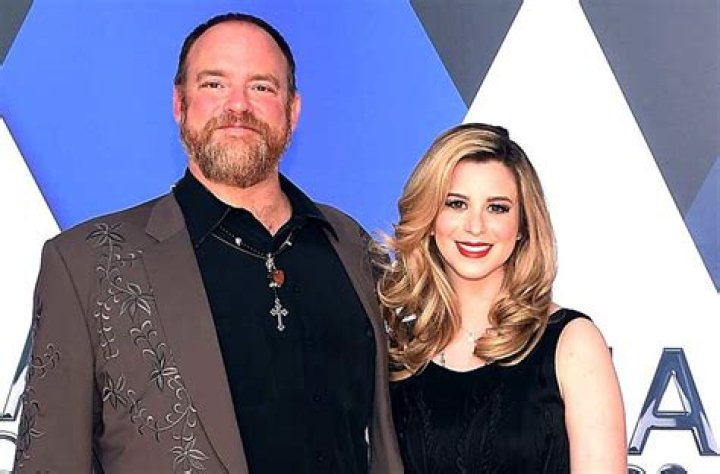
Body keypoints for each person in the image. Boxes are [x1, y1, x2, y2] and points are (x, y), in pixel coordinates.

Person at [14, 13, 402, 473]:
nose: (238, 106)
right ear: (179, 103)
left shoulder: (350, 245)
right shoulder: (88, 263)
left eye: (261, 86)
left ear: (293, 110)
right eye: (214, 84)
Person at [379, 123, 626, 473]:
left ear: (523, 224)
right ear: (430, 217)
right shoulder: (400, 351)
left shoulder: (571, 342)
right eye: (456, 204)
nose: (475, 226)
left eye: (497, 208)